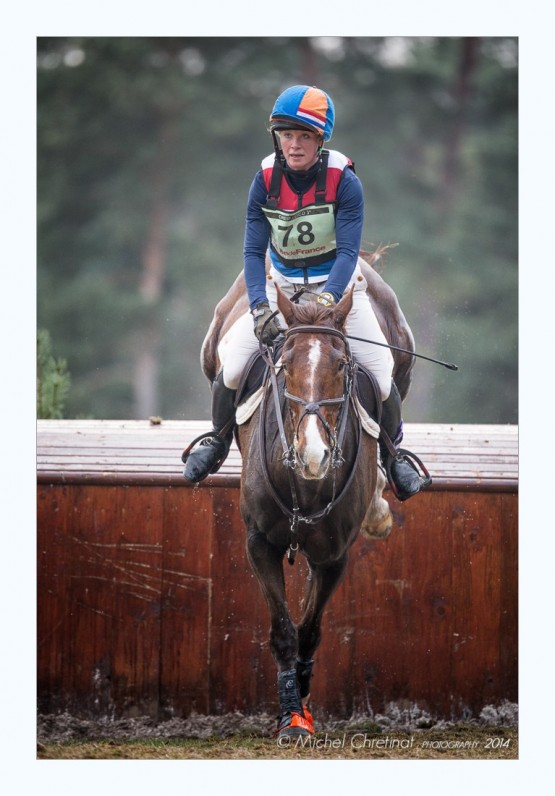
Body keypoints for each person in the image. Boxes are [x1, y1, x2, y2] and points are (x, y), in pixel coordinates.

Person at [183, 84, 427, 500]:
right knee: (233, 365)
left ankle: (392, 455)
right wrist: (259, 305)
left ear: (320, 139)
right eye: (286, 135)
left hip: (337, 286)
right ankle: (217, 440)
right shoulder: (263, 181)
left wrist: (330, 301)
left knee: (382, 373)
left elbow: (349, 252)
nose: (293, 145)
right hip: (283, 285)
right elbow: (251, 249)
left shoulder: (345, 182)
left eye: (303, 136)